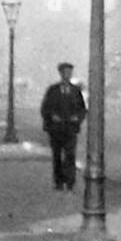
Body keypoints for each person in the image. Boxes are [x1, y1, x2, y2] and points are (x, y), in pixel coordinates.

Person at [41, 62, 87, 191]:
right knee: (57, 156)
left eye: (69, 72)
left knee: (70, 155)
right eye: (65, 72)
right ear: (60, 74)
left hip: (70, 128)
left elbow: (82, 109)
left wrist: (77, 118)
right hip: (56, 129)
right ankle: (59, 181)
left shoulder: (75, 91)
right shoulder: (53, 90)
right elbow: (45, 108)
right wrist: (52, 116)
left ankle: (70, 181)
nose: (67, 75)